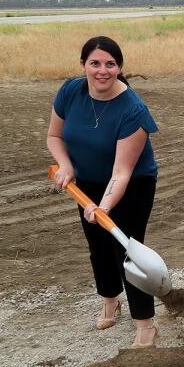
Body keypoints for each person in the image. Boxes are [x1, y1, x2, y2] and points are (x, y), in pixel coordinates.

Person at [47, 36, 161, 348]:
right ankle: (110, 300)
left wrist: (105, 207)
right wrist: (65, 166)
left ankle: (145, 323)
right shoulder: (71, 90)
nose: (102, 70)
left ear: (119, 67)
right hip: (86, 180)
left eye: (110, 64)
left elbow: (121, 172)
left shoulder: (133, 110)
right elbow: (55, 135)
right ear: (83, 64)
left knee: (128, 249)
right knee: (97, 244)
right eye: (95, 63)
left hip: (132, 184)